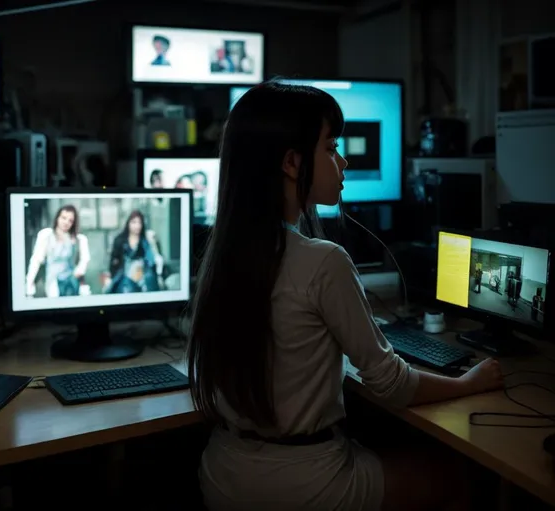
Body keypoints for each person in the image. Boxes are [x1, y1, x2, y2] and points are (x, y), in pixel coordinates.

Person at [187, 81, 504, 511]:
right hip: (306, 483)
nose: (344, 159)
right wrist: (468, 382)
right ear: (292, 163)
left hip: (224, 474)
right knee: (463, 477)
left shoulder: (222, 257)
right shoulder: (323, 261)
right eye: (331, 147)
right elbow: (390, 383)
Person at [25, 205, 91, 298]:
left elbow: (85, 259)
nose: (66, 222)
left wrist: (79, 271)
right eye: (63, 218)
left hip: (70, 281)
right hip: (52, 281)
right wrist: (29, 282)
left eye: (70, 220)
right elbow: (36, 260)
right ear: (57, 218)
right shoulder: (46, 235)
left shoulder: (77, 239)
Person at [105, 210, 162, 294]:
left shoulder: (145, 242)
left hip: (143, 277)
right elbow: (113, 263)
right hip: (124, 277)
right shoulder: (119, 240)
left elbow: (151, 262)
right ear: (128, 223)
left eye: (139, 223)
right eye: (134, 222)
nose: (137, 226)